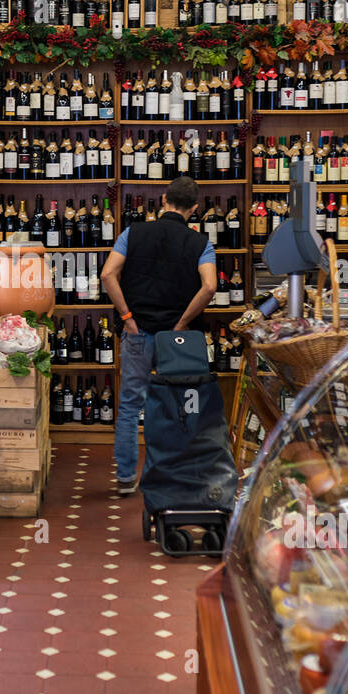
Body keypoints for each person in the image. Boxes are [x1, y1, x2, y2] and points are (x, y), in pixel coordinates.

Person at [99, 176, 217, 495]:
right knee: (177, 404)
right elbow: (209, 287)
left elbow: (108, 274)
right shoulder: (200, 243)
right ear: (194, 208)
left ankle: (126, 478)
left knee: (129, 403)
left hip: (137, 333)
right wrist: (182, 322)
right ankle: (171, 475)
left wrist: (126, 316)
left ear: (164, 200)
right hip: (176, 338)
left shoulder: (132, 233)